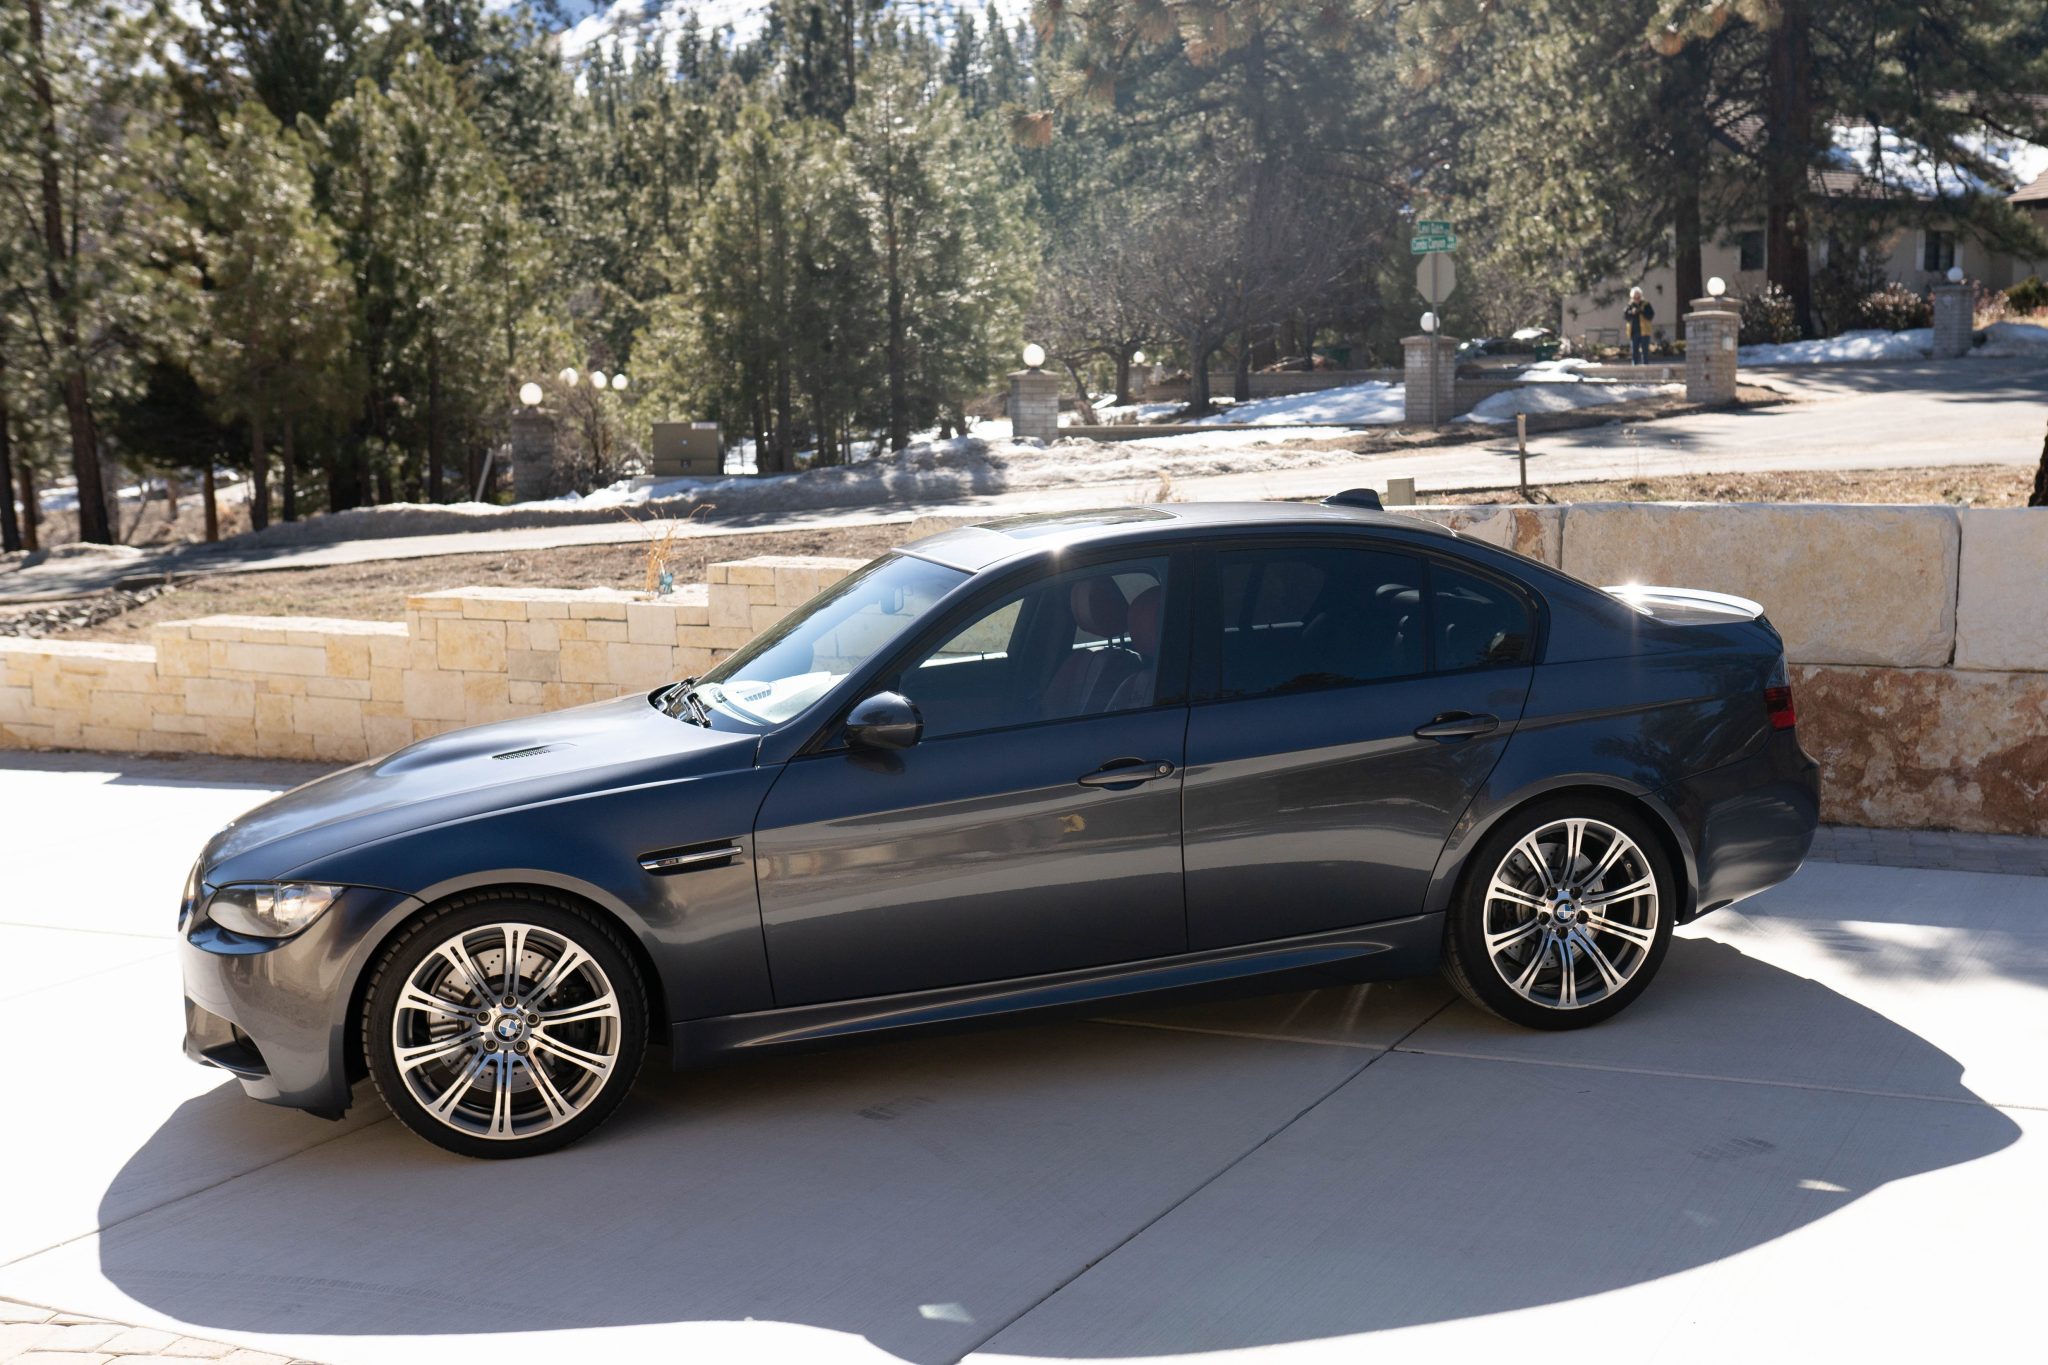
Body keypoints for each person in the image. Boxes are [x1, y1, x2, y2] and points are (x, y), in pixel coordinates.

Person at [1624, 287, 1655, 365]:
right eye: (1635, 297)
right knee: (1634, 352)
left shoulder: (1646, 304)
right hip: (1634, 332)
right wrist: (1632, 313)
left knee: (1645, 352)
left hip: (1645, 332)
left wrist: (1641, 311)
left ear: (1641, 296)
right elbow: (1626, 317)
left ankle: (1646, 367)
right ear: (1632, 297)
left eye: (1638, 297)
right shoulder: (1630, 305)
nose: (1637, 299)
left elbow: (1650, 316)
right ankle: (1635, 368)